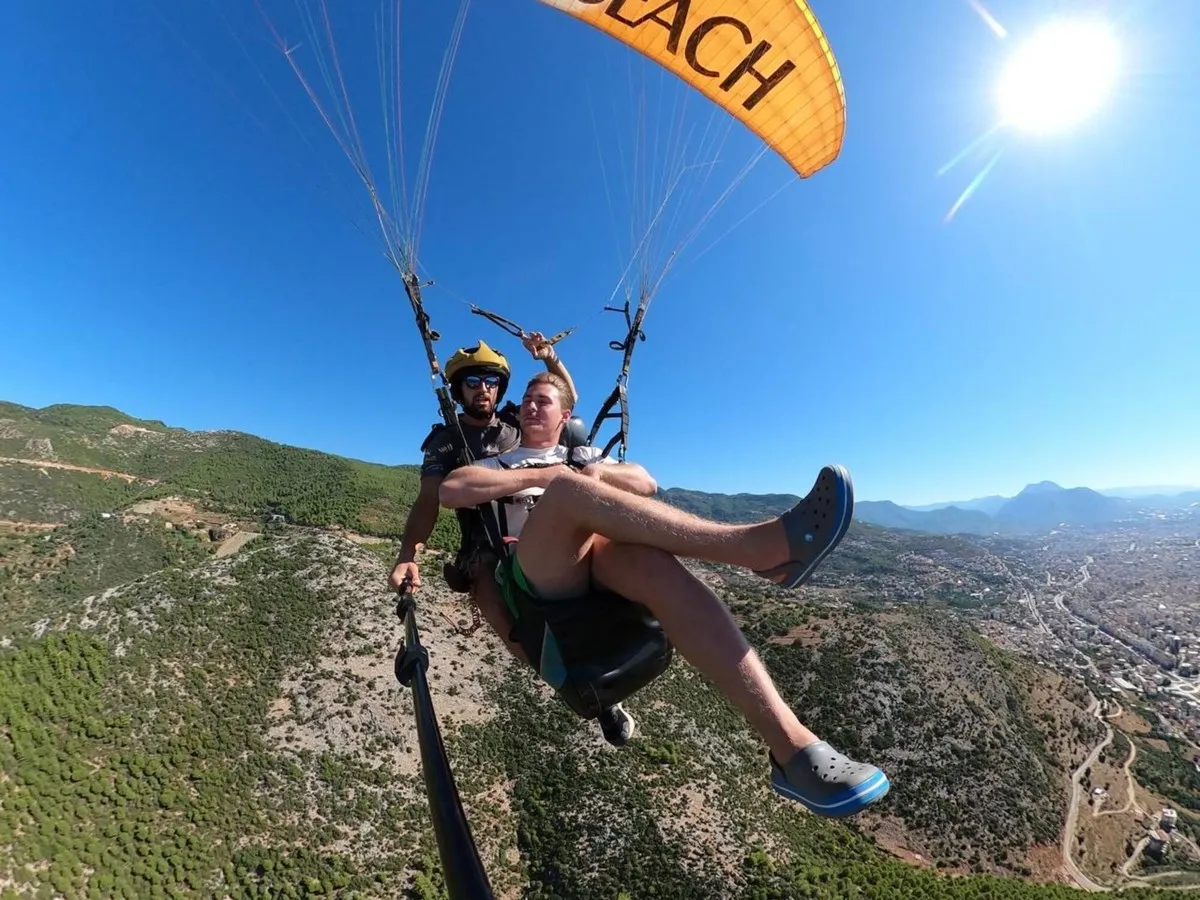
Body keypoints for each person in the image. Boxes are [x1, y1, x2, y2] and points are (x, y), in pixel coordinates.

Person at [438, 372, 891, 818]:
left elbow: (645, 483)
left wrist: (595, 471)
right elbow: (451, 490)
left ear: (565, 415)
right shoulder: (501, 462)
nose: (531, 407)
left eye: (543, 400)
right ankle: (754, 548)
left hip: (603, 563)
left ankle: (793, 749)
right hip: (538, 576)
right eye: (527, 400)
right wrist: (545, 476)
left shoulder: (581, 456)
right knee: (567, 491)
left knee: (656, 568)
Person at [388, 335, 636, 746]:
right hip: (484, 542)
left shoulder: (515, 422)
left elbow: (565, 398)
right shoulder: (446, 442)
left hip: (539, 522)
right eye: (472, 382)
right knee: (495, 602)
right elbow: (429, 501)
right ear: (459, 390)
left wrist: (549, 358)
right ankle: (575, 686)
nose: (483, 389)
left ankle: (610, 658)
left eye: (490, 381)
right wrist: (407, 553)